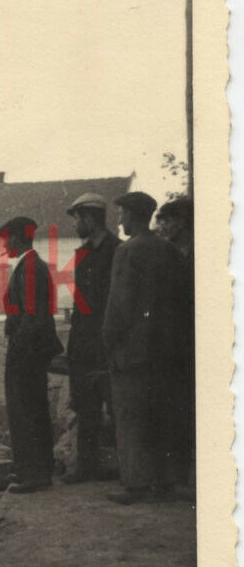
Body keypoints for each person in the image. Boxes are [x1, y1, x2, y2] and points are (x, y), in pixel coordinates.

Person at [102, 191, 181, 504]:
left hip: (132, 350)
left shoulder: (127, 251)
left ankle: (135, 485)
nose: (119, 219)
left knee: (131, 417)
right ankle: (166, 482)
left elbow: (119, 304)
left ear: (133, 215)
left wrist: (109, 341)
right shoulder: (169, 250)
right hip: (165, 349)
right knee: (162, 416)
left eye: (121, 213)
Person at [0, 216, 63, 494]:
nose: (3, 244)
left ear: (17, 239)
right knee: (30, 409)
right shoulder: (29, 265)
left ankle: (35, 474)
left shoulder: (32, 267)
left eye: (6, 239)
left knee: (26, 411)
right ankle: (33, 469)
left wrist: (20, 352)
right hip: (29, 349)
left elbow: (33, 318)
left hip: (27, 351)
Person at [61, 193, 121, 483]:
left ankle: (130, 471)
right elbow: (79, 306)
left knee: (117, 407)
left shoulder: (118, 251)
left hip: (109, 342)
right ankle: (87, 468)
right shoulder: (82, 254)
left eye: (77, 219)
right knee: (86, 407)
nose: (75, 226)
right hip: (84, 342)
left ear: (90, 218)